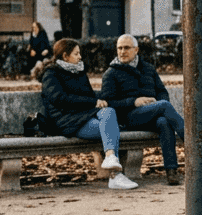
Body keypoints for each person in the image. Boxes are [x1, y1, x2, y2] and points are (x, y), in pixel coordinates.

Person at [40, 38, 136, 189]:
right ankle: (115, 176)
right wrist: (93, 102)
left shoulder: (79, 72)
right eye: (76, 54)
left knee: (109, 112)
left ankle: (110, 158)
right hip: (67, 121)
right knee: (111, 129)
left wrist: (99, 101)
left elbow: (90, 97)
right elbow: (60, 99)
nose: (80, 57)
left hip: (86, 116)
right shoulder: (51, 74)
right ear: (65, 56)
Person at [100, 35, 186, 186]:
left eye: (126, 48)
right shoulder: (111, 73)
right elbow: (109, 103)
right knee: (164, 106)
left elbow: (162, 91)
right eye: (119, 48)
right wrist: (134, 101)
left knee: (164, 122)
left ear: (136, 50)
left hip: (151, 115)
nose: (122, 51)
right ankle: (193, 142)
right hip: (128, 118)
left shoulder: (148, 68)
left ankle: (171, 171)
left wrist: (156, 103)